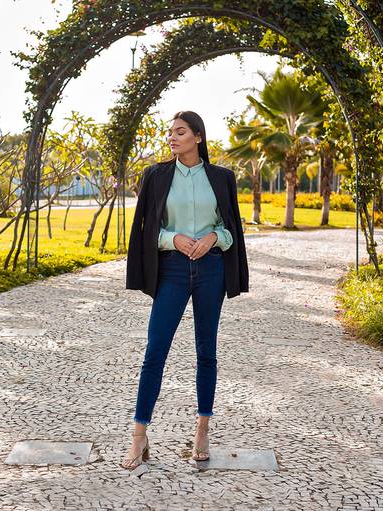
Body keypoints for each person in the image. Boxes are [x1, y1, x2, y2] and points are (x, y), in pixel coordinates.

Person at [123, 111, 249, 469]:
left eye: (180, 132)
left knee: (206, 352)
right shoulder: (156, 175)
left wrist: (213, 237)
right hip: (172, 271)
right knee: (155, 350)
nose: (172, 138)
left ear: (198, 136)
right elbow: (147, 230)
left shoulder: (222, 178)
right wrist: (173, 238)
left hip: (211, 271)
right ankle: (139, 435)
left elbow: (231, 230)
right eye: (170, 133)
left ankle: (202, 430)